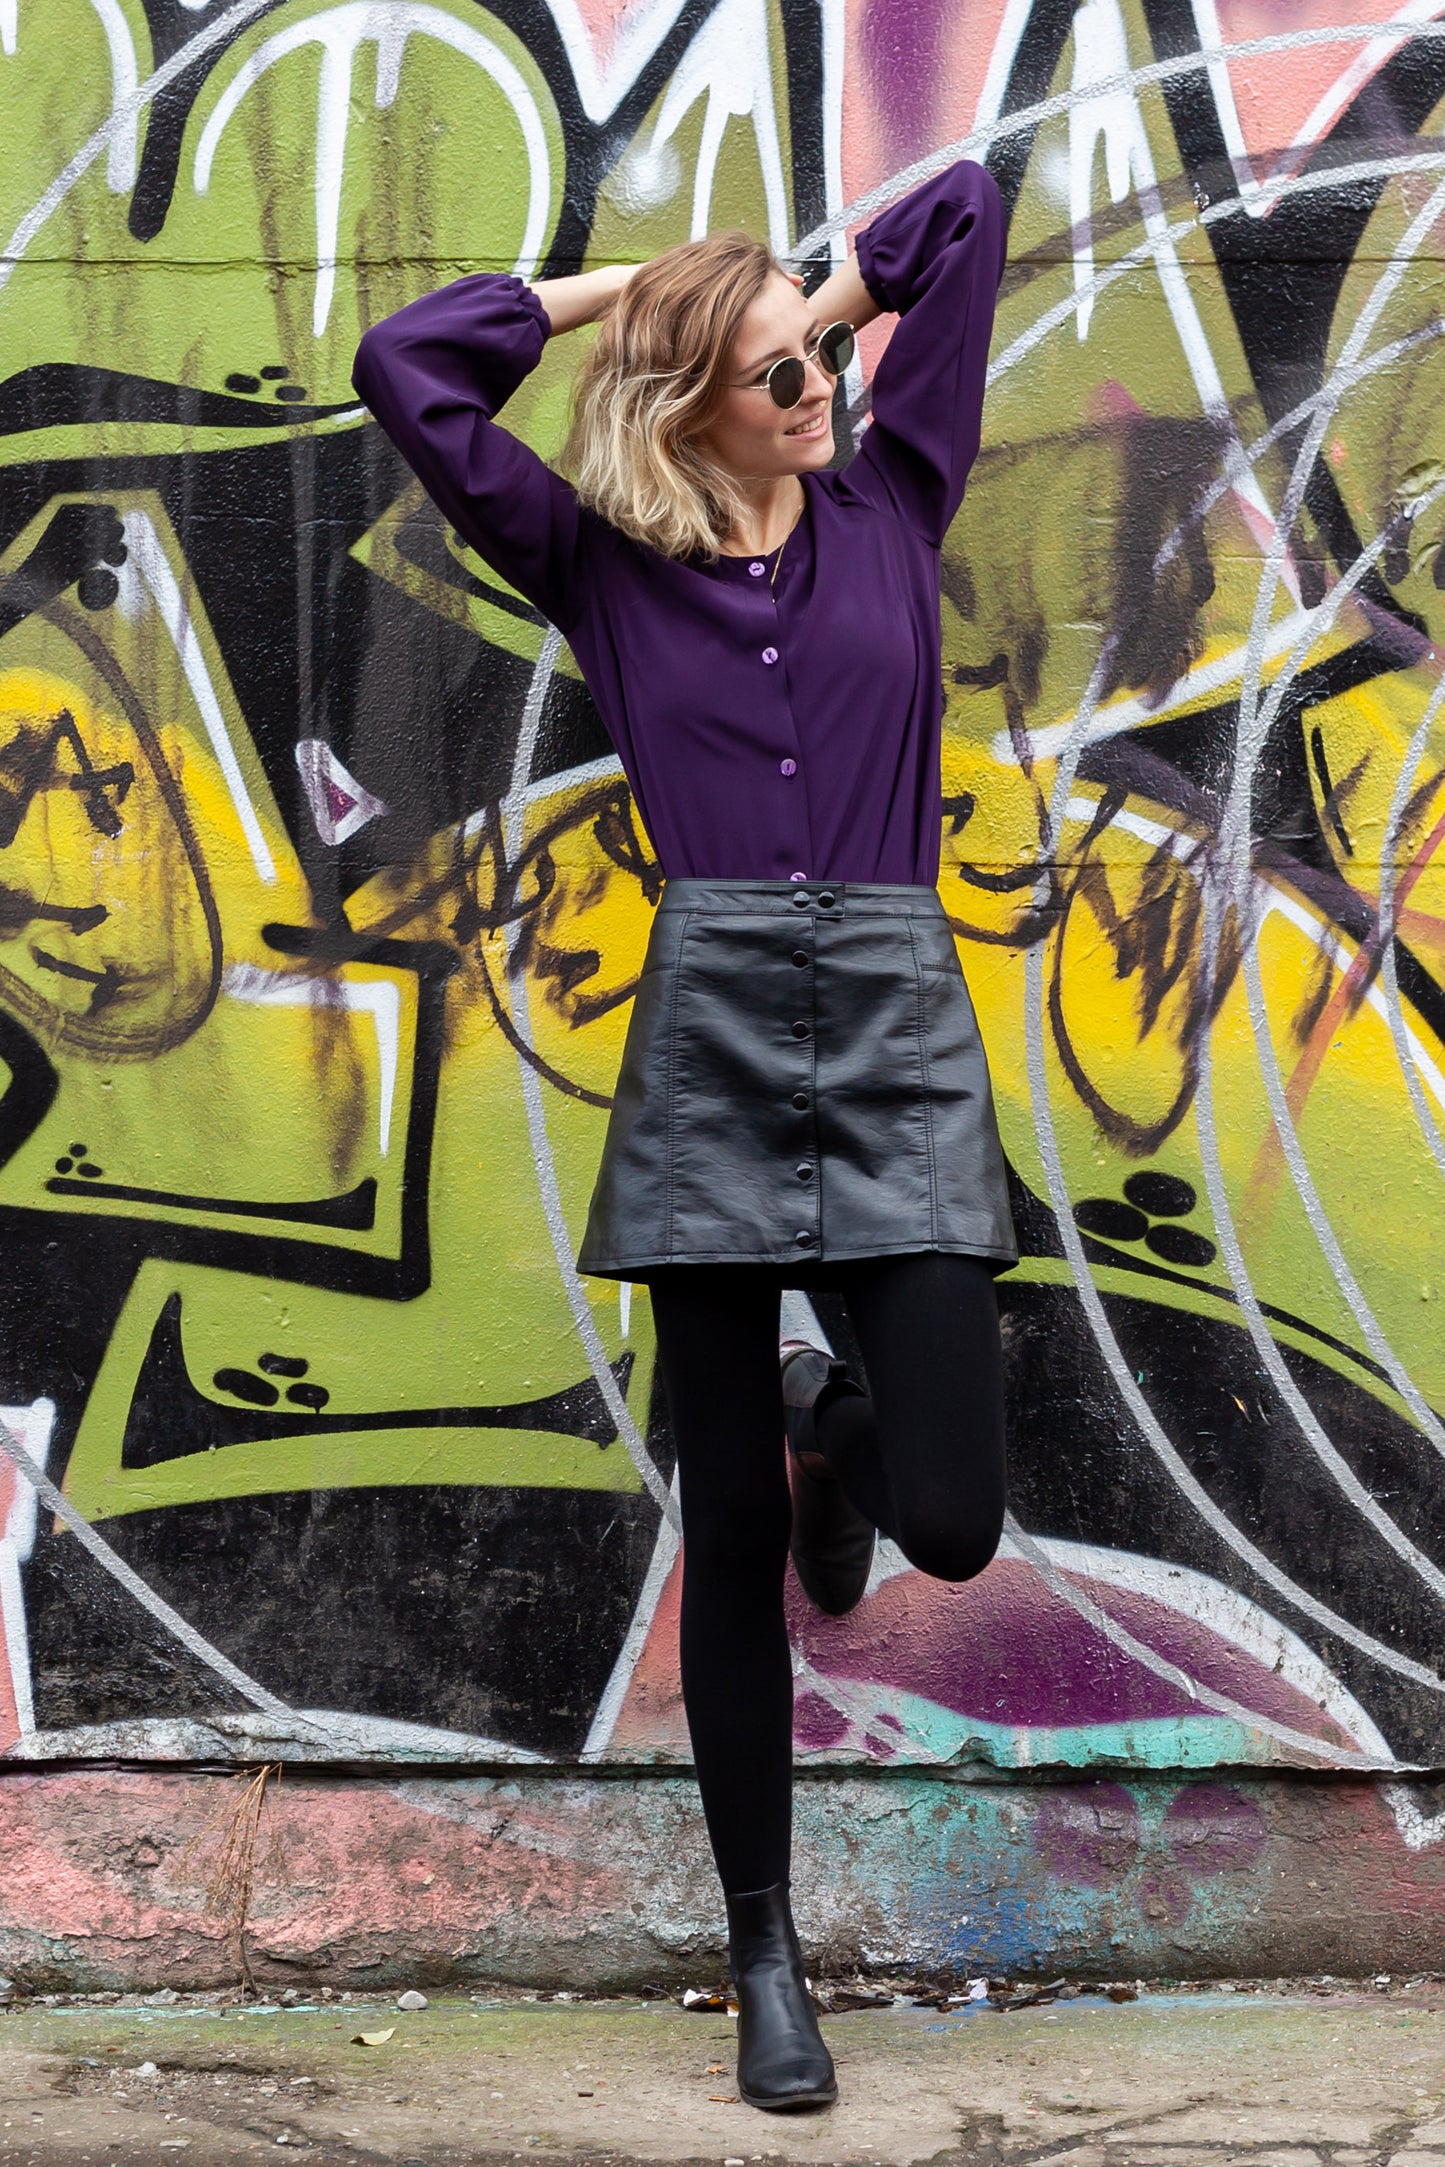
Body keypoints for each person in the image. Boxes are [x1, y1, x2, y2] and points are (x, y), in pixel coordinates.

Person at [353, 158, 1015, 2115]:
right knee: (723, 1530)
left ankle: (837, 1426)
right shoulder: (599, 563)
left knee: (951, 1512)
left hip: (896, 1016)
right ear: (685, 407)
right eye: (771, 376)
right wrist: (629, 287)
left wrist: (795, 296)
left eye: (817, 360)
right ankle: (764, 1957)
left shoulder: (897, 495)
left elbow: (965, 208)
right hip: (714, 1022)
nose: (814, 391)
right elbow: (408, 364)